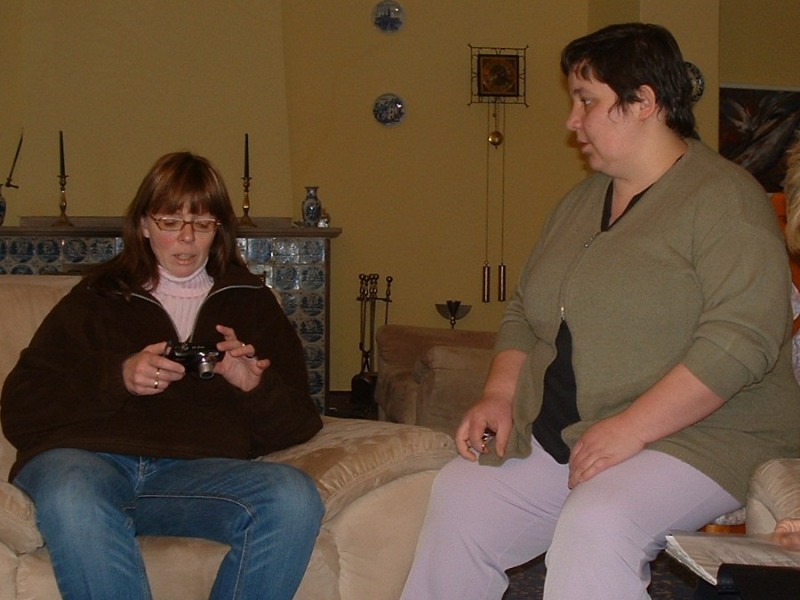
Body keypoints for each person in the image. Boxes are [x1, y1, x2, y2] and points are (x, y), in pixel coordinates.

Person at [399, 22, 800, 600]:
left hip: (709, 435)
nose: (572, 120)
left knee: (598, 520)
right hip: (578, 429)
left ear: (644, 102)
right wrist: (499, 394)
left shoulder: (725, 200)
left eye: (586, 101)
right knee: (462, 496)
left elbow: (741, 341)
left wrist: (630, 429)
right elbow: (525, 309)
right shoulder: (582, 200)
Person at [0, 152, 325, 600]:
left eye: (202, 223)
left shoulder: (251, 302)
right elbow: (20, 409)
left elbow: (300, 424)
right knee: (73, 491)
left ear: (219, 230)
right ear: (144, 225)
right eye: (171, 221)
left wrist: (254, 387)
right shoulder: (97, 296)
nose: (187, 238)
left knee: (293, 497)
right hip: (87, 462)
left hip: (194, 476)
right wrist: (117, 377)